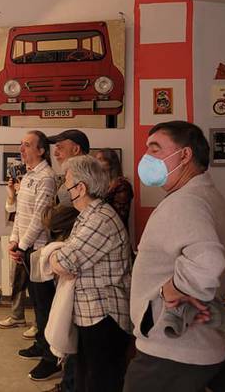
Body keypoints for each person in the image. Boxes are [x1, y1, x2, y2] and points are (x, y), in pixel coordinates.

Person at [124, 121, 225, 392]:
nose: (146, 158)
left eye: (155, 149)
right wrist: (208, 291)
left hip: (173, 350)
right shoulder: (209, 197)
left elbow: (208, 263)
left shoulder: (185, 202)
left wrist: (174, 289)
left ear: (184, 155)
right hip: (199, 345)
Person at [48, 155, 132, 392]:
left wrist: (52, 254)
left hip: (103, 316)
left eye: (67, 183)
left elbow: (63, 262)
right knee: (85, 379)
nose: (64, 189)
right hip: (91, 314)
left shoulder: (100, 219)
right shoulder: (88, 215)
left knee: (99, 382)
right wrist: (58, 254)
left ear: (81, 188)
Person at [36, 128, 90, 391]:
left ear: (76, 149)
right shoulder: (66, 181)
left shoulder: (80, 182)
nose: (55, 152)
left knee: (72, 329)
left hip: (76, 265)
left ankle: (68, 384)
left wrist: (50, 209)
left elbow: (50, 219)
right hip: (68, 256)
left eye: (60, 146)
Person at [0, 131, 56, 344]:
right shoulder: (29, 175)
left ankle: (46, 347)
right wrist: (14, 240)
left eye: (27, 145)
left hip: (37, 249)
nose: (21, 149)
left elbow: (39, 220)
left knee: (42, 302)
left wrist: (21, 247)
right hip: (25, 247)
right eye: (21, 144)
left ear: (41, 151)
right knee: (34, 297)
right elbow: (20, 214)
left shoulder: (46, 177)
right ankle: (40, 344)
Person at [93, 148, 133, 229]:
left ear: (111, 163)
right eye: (96, 159)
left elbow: (121, 216)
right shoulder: (99, 184)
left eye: (100, 159)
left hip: (115, 230)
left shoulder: (123, 185)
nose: (96, 163)